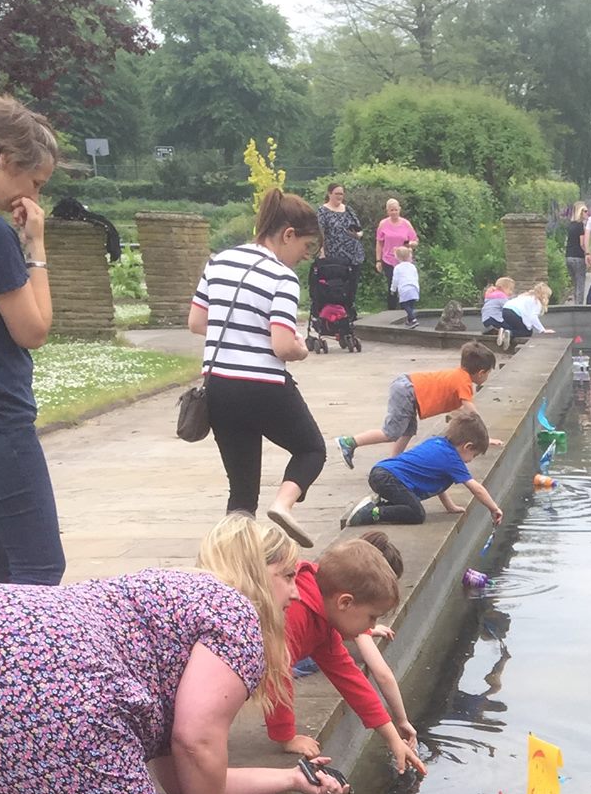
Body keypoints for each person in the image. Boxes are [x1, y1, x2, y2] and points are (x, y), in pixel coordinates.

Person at [0, 515, 349, 794]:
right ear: (256, 572)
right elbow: (196, 739)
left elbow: (185, 782)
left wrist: (291, 779)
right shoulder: (237, 613)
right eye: (288, 576)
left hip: (5, 634)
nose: (296, 593)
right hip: (45, 683)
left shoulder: (180, 594)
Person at [188, 188, 325, 547]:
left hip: (218, 385)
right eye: (306, 246)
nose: (305, 256)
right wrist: (301, 349)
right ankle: (283, 505)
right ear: (288, 235)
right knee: (311, 450)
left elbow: (197, 322)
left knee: (241, 491)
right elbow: (282, 345)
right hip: (264, 386)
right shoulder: (282, 276)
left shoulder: (219, 262)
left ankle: (232, 562)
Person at [266, 529, 424, 776]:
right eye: (371, 617)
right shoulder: (295, 614)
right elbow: (276, 675)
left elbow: (350, 679)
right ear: (345, 602)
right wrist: (286, 737)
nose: (372, 627)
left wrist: (393, 738)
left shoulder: (324, 617)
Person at [0, 96, 61, 585]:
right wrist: (35, 243)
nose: (34, 196)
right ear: (5, 159)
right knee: (39, 570)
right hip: (0, 423)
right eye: (36, 183)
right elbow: (33, 330)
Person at [337, 341, 496, 466]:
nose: (487, 377)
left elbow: (460, 414)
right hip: (407, 390)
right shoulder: (463, 381)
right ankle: (349, 442)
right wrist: (483, 436)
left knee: (408, 431)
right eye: (488, 373)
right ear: (481, 373)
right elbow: (471, 412)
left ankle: (393, 462)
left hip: (407, 388)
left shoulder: (459, 377)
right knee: (391, 432)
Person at [343, 406, 505, 528]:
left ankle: (376, 503)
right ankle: (372, 512)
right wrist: (494, 508)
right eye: (473, 455)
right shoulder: (452, 458)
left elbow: (437, 481)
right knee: (416, 513)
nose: (470, 460)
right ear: (467, 446)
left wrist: (449, 506)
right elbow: (477, 489)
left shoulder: (439, 443)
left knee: (409, 504)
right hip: (389, 478)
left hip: (383, 473)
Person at [375, 198, 418, 308]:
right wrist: (378, 260)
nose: (394, 212)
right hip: (388, 259)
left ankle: (406, 309)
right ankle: (391, 310)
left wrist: (410, 244)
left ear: (399, 209)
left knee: (404, 285)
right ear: (387, 211)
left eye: (396, 210)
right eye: (391, 210)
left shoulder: (406, 224)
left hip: (404, 260)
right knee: (392, 285)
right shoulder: (383, 224)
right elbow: (379, 243)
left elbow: (415, 241)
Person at [315, 183, 364, 271]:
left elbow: (359, 229)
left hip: (353, 257)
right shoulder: (323, 211)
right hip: (334, 257)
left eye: (341, 194)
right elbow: (320, 233)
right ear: (329, 194)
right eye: (336, 194)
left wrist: (358, 234)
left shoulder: (348, 210)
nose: (339, 196)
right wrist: (322, 251)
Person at [497, 280, 554, 349]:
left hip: (505, 310)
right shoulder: (537, 302)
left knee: (517, 328)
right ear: (544, 296)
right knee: (527, 332)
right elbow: (533, 317)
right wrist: (542, 330)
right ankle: (509, 333)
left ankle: (505, 332)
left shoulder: (527, 296)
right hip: (514, 312)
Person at [565, 204, 588, 305]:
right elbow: (582, 243)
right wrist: (587, 253)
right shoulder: (580, 226)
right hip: (578, 257)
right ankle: (579, 305)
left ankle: (575, 304)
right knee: (580, 282)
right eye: (585, 211)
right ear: (580, 212)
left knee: (574, 283)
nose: (587, 213)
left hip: (569, 256)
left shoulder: (571, 225)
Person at [391, 249, 419, 325]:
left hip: (404, 288)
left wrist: (393, 289)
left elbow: (395, 280)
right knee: (411, 305)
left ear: (398, 257)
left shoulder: (397, 268)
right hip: (414, 287)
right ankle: (410, 320)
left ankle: (413, 319)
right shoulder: (413, 266)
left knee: (404, 304)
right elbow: (416, 277)